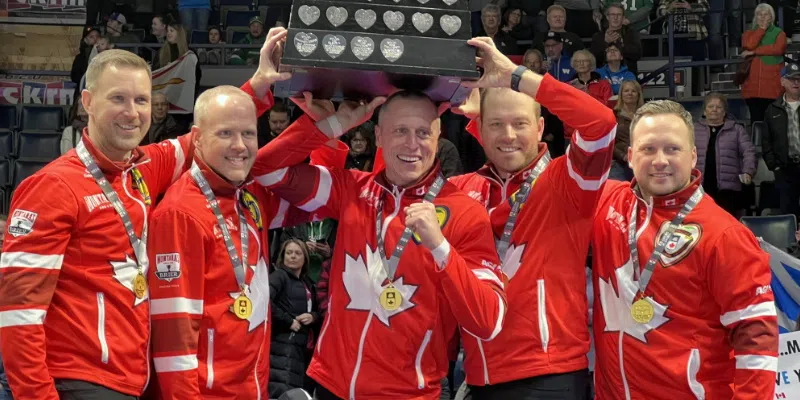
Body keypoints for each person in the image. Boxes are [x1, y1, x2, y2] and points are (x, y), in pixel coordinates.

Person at [0, 27, 290, 399]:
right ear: (87, 101)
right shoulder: (54, 187)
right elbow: (18, 315)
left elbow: (209, 136)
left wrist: (261, 83)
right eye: (117, 98)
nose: (132, 113)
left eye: (140, 100)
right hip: (75, 382)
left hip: (130, 382)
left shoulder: (142, 170)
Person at [250, 73, 507, 399]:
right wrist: (332, 124)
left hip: (407, 393)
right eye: (400, 131)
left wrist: (440, 248)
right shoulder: (352, 188)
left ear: (438, 136)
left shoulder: (464, 211)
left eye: (423, 132)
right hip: (331, 385)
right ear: (379, 136)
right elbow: (265, 171)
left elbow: (489, 322)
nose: (412, 144)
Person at [447, 36, 616, 399]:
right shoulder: (461, 189)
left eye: (520, 123)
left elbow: (600, 124)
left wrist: (516, 75)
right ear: (479, 129)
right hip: (478, 374)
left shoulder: (569, 182)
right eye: (495, 125)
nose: (508, 135)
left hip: (548, 375)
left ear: (540, 129)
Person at [591, 100, 777, 399]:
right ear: (629, 156)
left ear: (693, 157)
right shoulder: (608, 204)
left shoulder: (724, 234)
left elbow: (757, 336)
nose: (660, 160)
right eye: (648, 149)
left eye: (672, 149)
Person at [147, 80, 307, 398]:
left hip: (251, 388)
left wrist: (331, 126)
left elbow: (308, 200)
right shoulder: (180, 212)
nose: (240, 146)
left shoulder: (246, 200)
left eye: (248, 133)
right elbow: (173, 336)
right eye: (225, 133)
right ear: (198, 139)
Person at [268, 239, 321, 397]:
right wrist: (288, 321)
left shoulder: (308, 283)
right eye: (289, 253)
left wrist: (313, 317)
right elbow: (264, 300)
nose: (292, 256)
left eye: (298, 253)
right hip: (281, 347)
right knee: (283, 391)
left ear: (305, 258)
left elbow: (319, 311)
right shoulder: (279, 276)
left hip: (302, 349)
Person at [694, 93, 756, 218]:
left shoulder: (737, 130)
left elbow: (748, 152)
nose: (714, 109)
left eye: (719, 107)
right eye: (711, 106)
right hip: (700, 187)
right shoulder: (693, 130)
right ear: (705, 111)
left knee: (727, 220)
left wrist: (748, 171)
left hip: (728, 188)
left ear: (724, 112)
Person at [762, 63, 800, 222]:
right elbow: (766, 141)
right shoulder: (772, 109)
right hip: (785, 169)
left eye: (799, 79)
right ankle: (791, 246)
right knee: (788, 213)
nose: (796, 83)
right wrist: (774, 166)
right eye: (791, 79)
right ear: (783, 82)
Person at [741, 3, 787, 126]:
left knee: (774, 125)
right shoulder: (748, 33)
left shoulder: (780, 33)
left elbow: (778, 49)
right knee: (756, 123)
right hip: (753, 89)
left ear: (771, 17)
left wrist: (755, 52)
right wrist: (761, 29)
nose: (762, 17)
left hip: (773, 88)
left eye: (765, 14)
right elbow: (749, 45)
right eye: (759, 14)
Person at [589, 4, 642, 73]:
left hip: (627, 75)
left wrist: (619, 44)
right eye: (612, 14)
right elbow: (593, 58)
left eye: (619, 14)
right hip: (603, 76)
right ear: (607, 17)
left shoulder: (631, 33)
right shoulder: (598, 35)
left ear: (623, 18)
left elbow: (637, 54)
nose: (615, 17)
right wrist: (606, 42)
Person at [609, 80, 643, 181]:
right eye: (626, 91)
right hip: (620, 162)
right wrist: (623, 156)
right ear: (621, 94)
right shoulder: (613, 115)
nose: (630, 93)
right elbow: (609, 141)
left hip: (642, 161)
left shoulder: (645, 115)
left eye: (633, 91)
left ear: (638, 94)